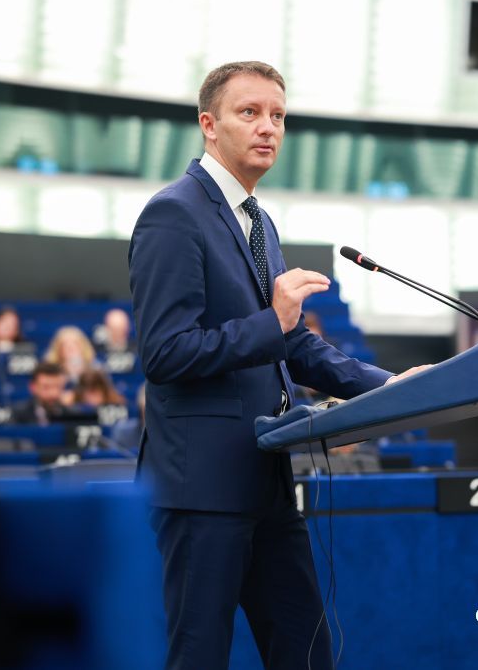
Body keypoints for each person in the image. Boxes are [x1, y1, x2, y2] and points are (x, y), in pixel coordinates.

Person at [128, 61, 428, 670]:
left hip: (266, 481)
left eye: (278, 116)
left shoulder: (257, 220)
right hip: (201, 490)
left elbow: (290, 344)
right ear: (209, 126)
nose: (269, 127)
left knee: (307, 651)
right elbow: (166, 354)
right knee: (198, 656)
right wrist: (274, 322)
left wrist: (389, 386)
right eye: (250, 113)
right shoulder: (173, 214)